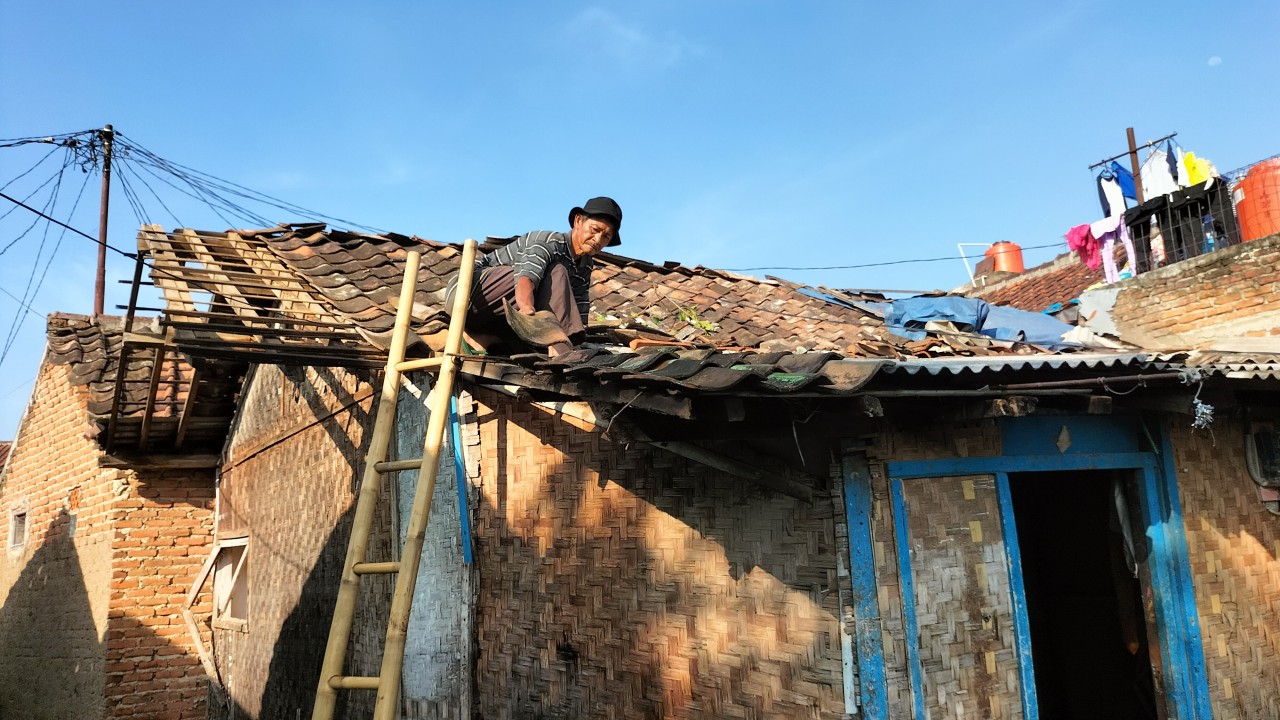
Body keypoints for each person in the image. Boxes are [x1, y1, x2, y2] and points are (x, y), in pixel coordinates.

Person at [444, 196, 622, 357]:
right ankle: (560, 347)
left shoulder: (585, 265)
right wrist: (529, 311)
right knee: (557, 271)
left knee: (529, 343)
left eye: (606, 236)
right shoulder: (550, 242)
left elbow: (578, 310)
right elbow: (526, 277)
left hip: (495, 317)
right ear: (578, 221)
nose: (598, 240)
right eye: (595, 229)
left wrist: (579, 341)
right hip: (466, 293)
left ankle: (480, 338)